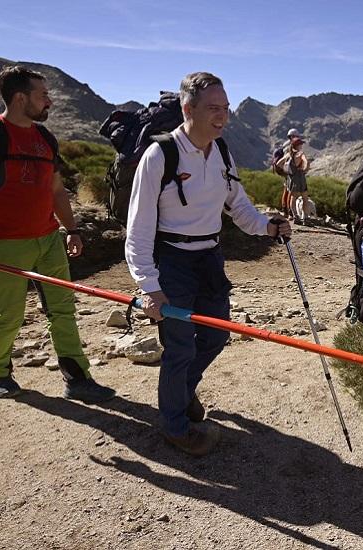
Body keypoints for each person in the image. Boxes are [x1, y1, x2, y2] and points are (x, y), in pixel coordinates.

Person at [124, 72, 291, 456]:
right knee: (180, 347)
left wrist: (267, 228)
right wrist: (149, 285)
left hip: (210, 259)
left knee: (216, 335)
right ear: (189, 109)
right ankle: (175, 426)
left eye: (226, 109)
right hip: (173, 262)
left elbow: (239, 205)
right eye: (214, 108)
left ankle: (179, 393)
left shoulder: (221, 152)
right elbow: (138, 228)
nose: (223, 117)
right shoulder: (160, 155)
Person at [0, 65, 116, 403]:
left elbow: (56, 190)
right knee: (9, 314)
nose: (50, 101)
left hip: (49, 239)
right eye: (43, 96)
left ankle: (77, 378)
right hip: (2, 243)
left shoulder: (44, 138)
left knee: (62, 310)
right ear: (20, 98)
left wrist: (72, 229)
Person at [278, 129, 311, 225]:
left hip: (292, 178)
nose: (302, 145)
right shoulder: (300, 154)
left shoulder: (289, 154)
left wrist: (287, 171)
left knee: (293, 198)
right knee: (305, 198)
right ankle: (305, 218)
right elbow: (305, 162)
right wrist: (305, 168)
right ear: (298, 145)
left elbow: (279, 163)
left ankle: (295, 216)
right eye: (301, 144)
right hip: (300, 178)